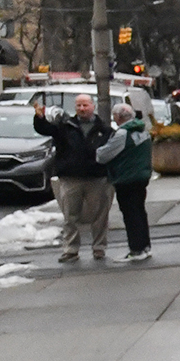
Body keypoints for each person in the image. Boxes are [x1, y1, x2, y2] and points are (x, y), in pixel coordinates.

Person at [33, 94, 114, 261]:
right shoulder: (65, 126)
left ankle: (99, 248)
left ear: (93, 106)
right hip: (71, 178)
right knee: (70, 217)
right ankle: (71, 250)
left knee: (100, 217)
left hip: (97, 178)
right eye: (78, 106)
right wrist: (39, 118)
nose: (82, 109)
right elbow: (45, 129)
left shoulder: (104, 129)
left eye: (85, 105)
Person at [96, 102, 155, 261]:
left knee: (130, 214)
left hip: (126, 177)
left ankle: (136, 249)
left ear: (118, 117)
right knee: (139, 212)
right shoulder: (143, 130)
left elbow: (103, 155)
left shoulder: (122, 133)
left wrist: (97, 150)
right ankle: (145, 246)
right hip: (141, 176)